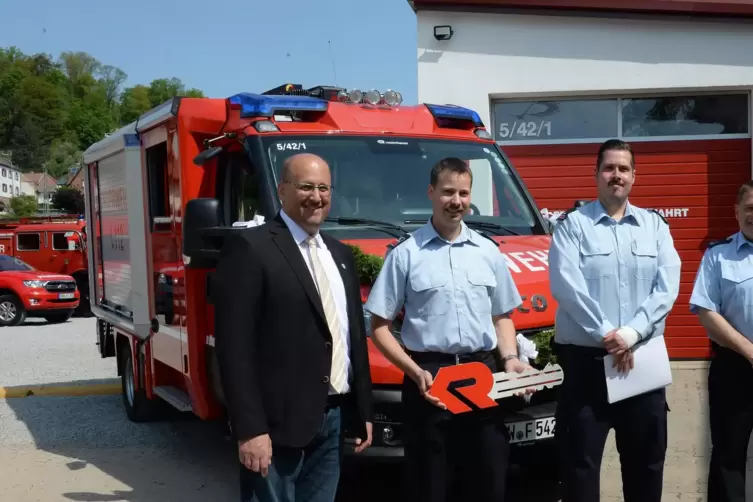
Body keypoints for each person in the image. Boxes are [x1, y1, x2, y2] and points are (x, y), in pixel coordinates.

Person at [364, 157, 533, 502]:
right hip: (429, 381)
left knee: (487, 483)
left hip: (482, 377)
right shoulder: (406, 254)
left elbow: (501, 316)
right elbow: (379, 325)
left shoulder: (488, 252)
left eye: (464, 193)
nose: (456, 201)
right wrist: (412, 371)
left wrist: (511, 359)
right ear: (431, 192)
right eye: (448, 192)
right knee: (430, 487)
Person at [213, 153, 374, 502]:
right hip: (274, 426)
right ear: (282, 190)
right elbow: (234, 348)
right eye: (305, 187)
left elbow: (351, 338)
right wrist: (250, 428)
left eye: (323, 188)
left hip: (332, 418)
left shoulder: (340, 255)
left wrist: (363, 412)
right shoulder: (251, 248)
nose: (316, 197)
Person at [548, 139, 681, 502]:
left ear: (634, 176)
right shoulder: (572, 226)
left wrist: (631, 333)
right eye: (609, 168)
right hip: (586, 368)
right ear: (596, 175)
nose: (616, 175)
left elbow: (667, 287)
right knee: (580, 469)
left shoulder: (655, 227)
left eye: (623, 169)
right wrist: (609, 335)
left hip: (642, 365)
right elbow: (567, 287)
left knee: (646, 468)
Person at [688, 180, 753, 502]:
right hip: (735, 369)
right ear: (737, 211)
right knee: (729, 456)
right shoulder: (718, 255)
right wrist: (750, 351)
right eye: (750, 207)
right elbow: (706, 311)